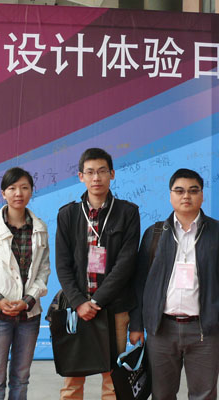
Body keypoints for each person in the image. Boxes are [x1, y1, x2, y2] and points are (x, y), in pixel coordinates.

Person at [135, 168, 219, 400]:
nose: (186, 196)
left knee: (203, 395)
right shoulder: (155, 233)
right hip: (161, 330)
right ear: (170, 195)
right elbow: (139, 282)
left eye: (193, 191)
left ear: (202, 195)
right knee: (161, 395)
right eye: (180, 191)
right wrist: (138, 324)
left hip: (205, 331)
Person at [55, 148, 141, 400]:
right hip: (77, 309)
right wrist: (79, 302)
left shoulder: (127, 212)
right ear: (81, 176)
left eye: (102, 171)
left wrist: (97, 301)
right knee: (72, 380)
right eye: (90, 172)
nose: (96, 178)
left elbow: (126, 264)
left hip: (115, 309)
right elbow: (62, 264)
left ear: (112, 174)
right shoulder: (68, 215)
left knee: (113, 381)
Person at [0, 167, 50, 400]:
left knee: (21, 379)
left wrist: (28, 301)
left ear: (31, 191)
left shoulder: (40, 227)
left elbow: (44, 270)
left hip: (28, 316)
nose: (18, 193)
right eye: (12, 188)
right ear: (3, 193)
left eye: (24, 188)